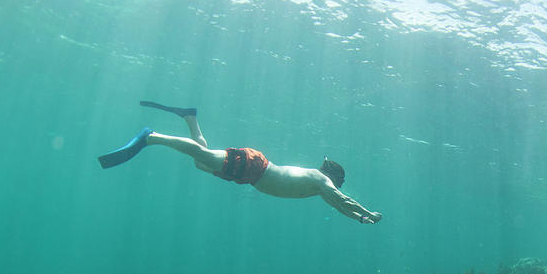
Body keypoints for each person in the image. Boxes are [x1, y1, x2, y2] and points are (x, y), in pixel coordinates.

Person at [98, 101, 382, 224]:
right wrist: (367, 212)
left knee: (201, 163)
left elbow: (340, 204)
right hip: (254, 167)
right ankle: (151, 137)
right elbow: (342, 201)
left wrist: (361, 217)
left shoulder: (320, 187)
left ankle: (190, 118)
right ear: (334, 176)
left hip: (250, 174)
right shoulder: (322, 181)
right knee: (203, 157)